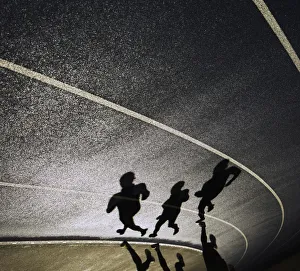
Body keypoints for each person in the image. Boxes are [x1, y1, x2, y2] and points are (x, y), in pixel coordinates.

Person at [106, 172, 149, 236]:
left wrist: (144, 193)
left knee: (126, 218)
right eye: (121, 182)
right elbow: (109, 210)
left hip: (132, 206)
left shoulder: (136, 188)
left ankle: (141, 230)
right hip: (131, 207)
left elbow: (145, 192)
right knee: (126, 218)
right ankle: (132, 229)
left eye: (122, 182)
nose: (121, 183)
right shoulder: (137, 188)